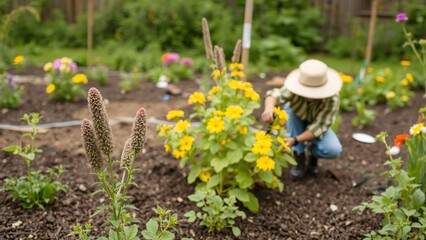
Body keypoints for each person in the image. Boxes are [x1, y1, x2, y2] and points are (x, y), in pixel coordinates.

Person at [261, 59, 343, 180]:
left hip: (316, 123)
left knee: (333, 150)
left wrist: (295, 139)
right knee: (290, 112)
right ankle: (299, 157)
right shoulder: (293, 89)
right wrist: (269, 108)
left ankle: (312, 153)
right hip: (296, 115)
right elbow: (274, 94)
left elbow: (319, 127)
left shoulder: (332, 99)